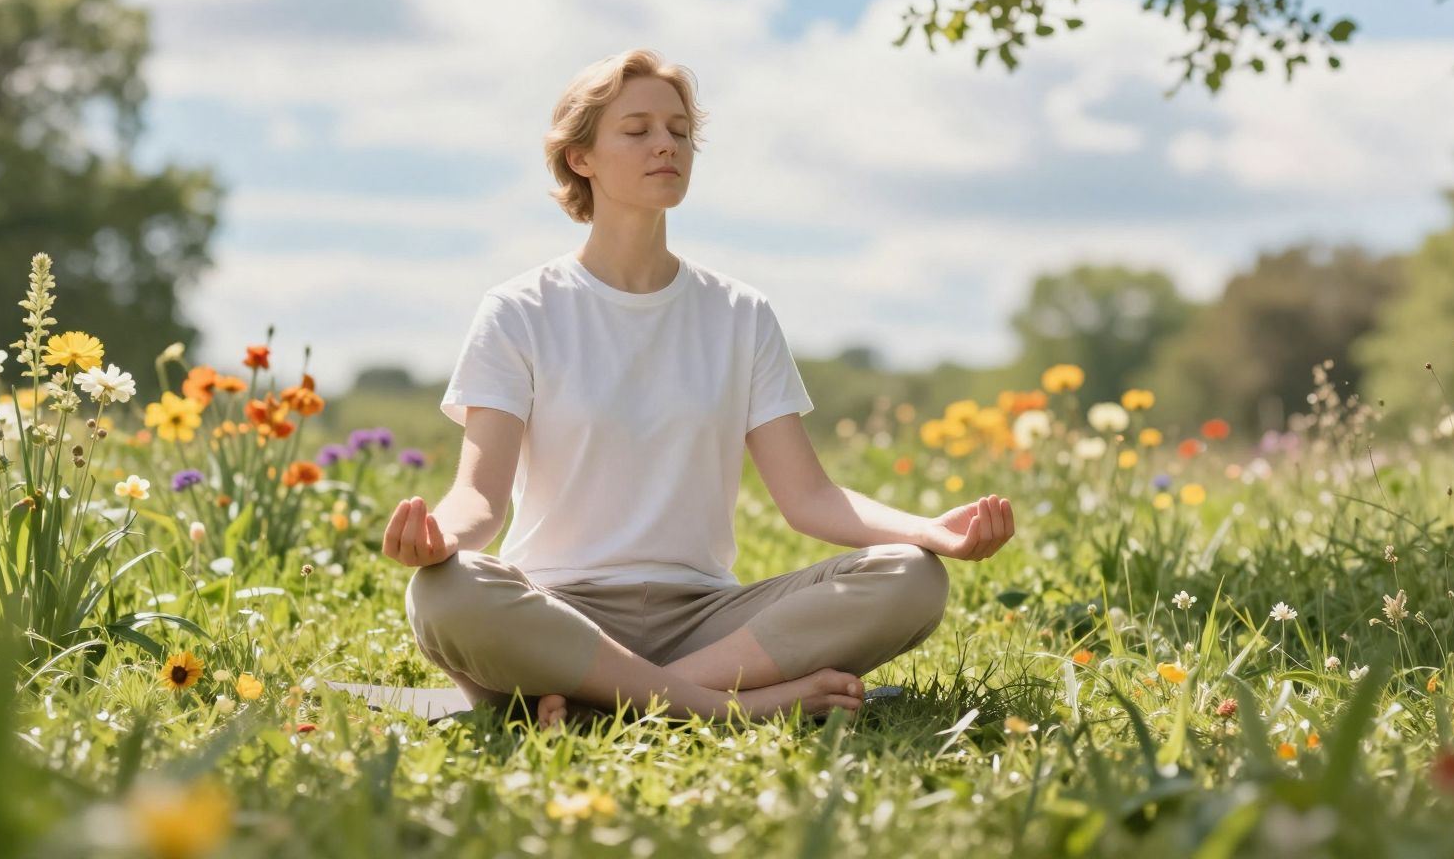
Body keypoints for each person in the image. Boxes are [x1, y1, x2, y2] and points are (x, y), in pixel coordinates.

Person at [383, 48, 1017, 730]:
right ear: (581, 158)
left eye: (680, 131)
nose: (667, 145)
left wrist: (930, 532)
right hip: (559, 614)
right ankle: (720, 709)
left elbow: (810, 499)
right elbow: (480, 497)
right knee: (445, 592)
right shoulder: (519, 310)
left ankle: (602, 706)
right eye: (638, 130)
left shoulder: (740, 313)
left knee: (913, 577)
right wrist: (438, 537)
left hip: (709, 624)